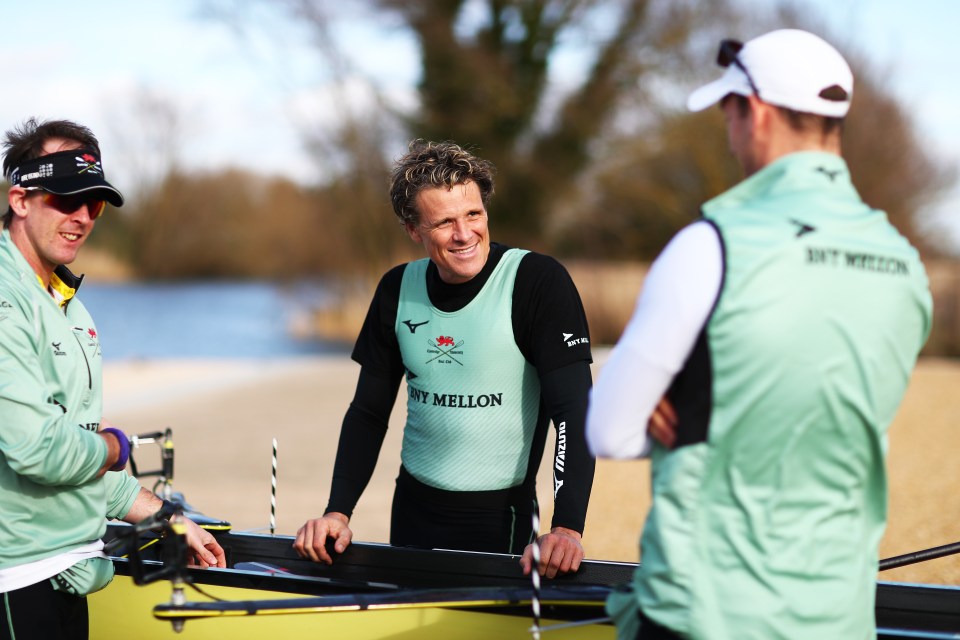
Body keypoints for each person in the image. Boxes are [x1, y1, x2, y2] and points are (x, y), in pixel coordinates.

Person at [586, 29, 933, 640]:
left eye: (728, 111)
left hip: (704, 615)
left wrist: (693, 412)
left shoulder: (709, 244)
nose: (729, 131)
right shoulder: (904, 263)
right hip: (839, 619)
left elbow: (608, 431)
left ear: (759, 114)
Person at [294, 139, 595, 577]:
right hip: (413, 510)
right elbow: (368, 413)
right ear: (413, 229)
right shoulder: (397, 288)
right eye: (444, 221)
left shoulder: (536, 282)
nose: (464, 233)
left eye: (473, 214)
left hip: (501, 519)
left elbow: (575, 412)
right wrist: (338, 512)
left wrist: (567, 527)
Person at [0, 118, 226, 640]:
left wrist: (165, 516)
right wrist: (114, 444)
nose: (81, 217)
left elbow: (77, 452)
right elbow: (40, 450)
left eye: (94, 203)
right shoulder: (8, 301)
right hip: (15, 577)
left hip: (66, 569)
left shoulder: (67, 304)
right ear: (20, 200)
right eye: (64, 199)